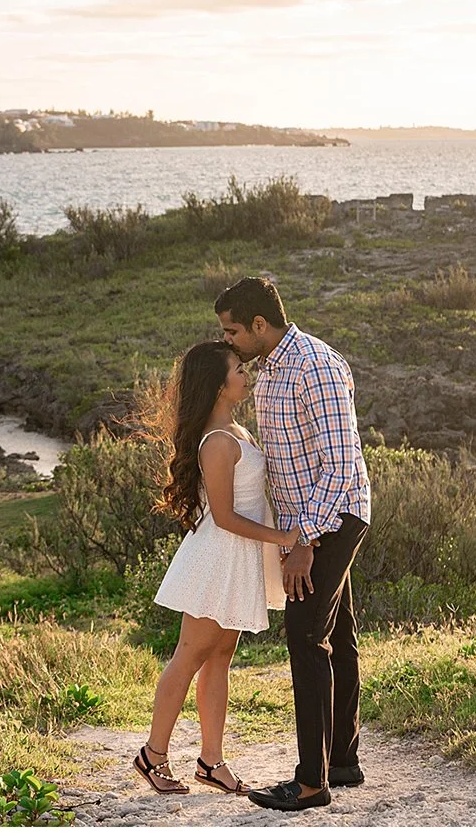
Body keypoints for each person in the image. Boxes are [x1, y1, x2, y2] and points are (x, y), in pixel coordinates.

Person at [214, 277, 372, 812]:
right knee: (336, 633)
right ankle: (342, 761)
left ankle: (311, 782)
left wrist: (304, 540)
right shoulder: (272, 369)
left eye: (233, 330)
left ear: (261, 325)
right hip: (306, 520)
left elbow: (340, 465)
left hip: (335, 516)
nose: (230, 340)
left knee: (305, 636)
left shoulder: (315, 367)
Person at [134, 340, 296, 796]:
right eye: (238, 370)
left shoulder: (237, 432)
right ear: (218, 385)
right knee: (188, 657)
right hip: (217, 560)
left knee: (220, 658)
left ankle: (210, 761)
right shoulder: (218, 442)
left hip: (236, 561)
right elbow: (224, 517)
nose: (246, 374)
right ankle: (153, 756)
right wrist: (282, 539)